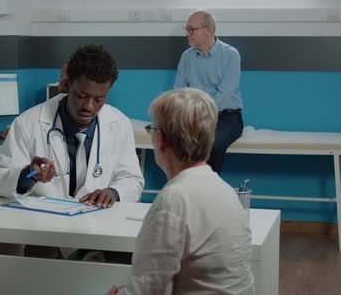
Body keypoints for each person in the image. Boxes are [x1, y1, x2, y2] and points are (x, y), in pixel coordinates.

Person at [107, 88, 254, 295]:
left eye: (152, 129)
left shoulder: (174, 200)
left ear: (161, 139)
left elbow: (148, 288)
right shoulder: (225, 191)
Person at [0, 44, 143, 207]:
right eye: (82, 96)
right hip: (41, 223)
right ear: (66, 86)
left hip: (98, 222)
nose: (89, 106)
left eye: (99, 99)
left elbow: (133, 179)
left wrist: (113, 193)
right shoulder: (28, 123)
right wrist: (30, 174)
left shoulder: (119, 123)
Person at [174, 10, 243, 174]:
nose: (187, 34)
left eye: (192, 29)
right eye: (187, 29)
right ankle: (185, 191)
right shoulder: (186, 57)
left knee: (212, 144)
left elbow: (224, 96)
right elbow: (179, 91)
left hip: (227, 116)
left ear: (209, 30)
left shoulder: (230, 55)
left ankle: (208, 192)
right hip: (194, 116)